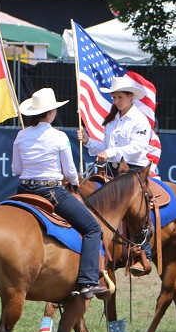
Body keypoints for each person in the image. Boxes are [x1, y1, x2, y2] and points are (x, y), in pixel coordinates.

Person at [13, 87, 108, 298]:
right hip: (50, 192)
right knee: (92, 228)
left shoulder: (21, 135)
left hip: (23, 190)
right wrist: (75, 182)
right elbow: (70, 171)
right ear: (51, 113)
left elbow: (16, 169)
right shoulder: (59, 136)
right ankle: (87, 281)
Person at [76, 74, 152, 172]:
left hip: (134, 170)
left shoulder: (140, 119)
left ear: (130, 96)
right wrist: (88, 141)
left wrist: (109, 152)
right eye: (114, 97)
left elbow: (137, 147)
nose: (116, 101)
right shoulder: (111, 120)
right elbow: (107, 147)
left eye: (120, 97)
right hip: (111, 169)